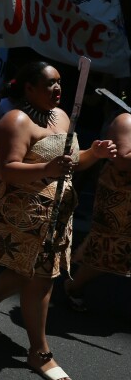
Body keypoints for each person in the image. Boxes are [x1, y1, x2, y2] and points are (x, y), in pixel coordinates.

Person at [0, 61, 116, 380]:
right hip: (24, 217)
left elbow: (72, 162)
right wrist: (46, 171)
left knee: (25, 272)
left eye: (60, 82)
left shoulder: (62, 117)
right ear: (29, 88)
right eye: (49, 83)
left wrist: (95, 153)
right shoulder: (15, 121)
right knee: (41, 279)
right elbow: (7, 168)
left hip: (58, 216)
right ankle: (40, 353)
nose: (57, 88)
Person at [64, 111, 131, 310]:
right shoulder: (125, 121)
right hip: (121, 198)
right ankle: (74, 286)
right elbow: (122, 160)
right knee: (108, 250)